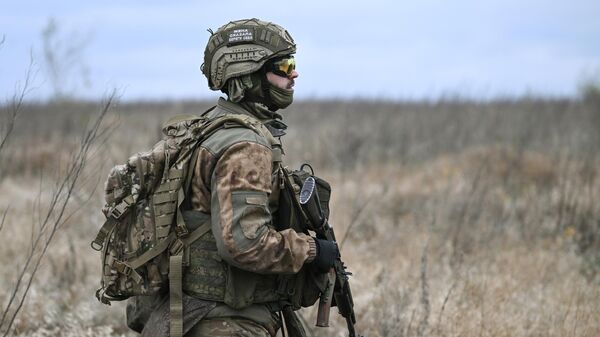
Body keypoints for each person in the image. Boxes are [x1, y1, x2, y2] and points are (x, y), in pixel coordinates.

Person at [139, 18, 339, 337]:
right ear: (250, 75)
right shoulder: (245, 145)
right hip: (222, 320)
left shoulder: (207, 126)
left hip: (182, 315)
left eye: (293, 64)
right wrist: (312, 250)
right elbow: (244, 244)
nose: (294, 73)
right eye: (284, 67)